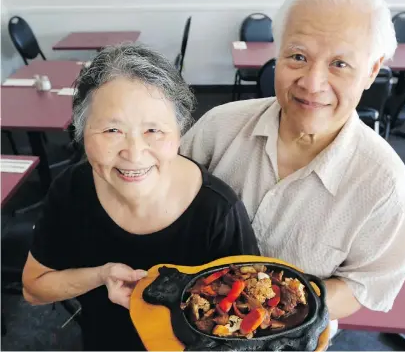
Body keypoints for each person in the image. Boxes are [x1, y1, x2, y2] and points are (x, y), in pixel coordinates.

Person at [181, 0, 405, 334]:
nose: (312, 82)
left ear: (371, 71)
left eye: (339, 63)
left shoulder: (383, 183)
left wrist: (266, 304)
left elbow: (363, 284)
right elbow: (164, 198)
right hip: (187, 317)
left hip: (291, 335)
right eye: (298, 57)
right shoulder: (218, 127)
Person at [22, 43, 260, 351]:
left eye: (154, 131)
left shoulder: (217, 211)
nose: (133, 154)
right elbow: (33, 288)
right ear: (81, 133)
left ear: (180, 133)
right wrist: (99, 275)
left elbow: (252, 314)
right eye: (111, 131)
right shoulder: (72, 190)